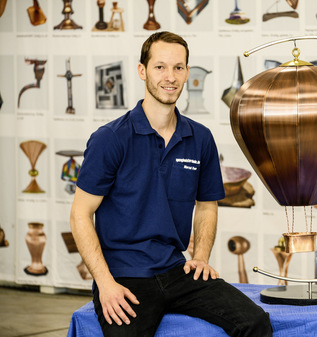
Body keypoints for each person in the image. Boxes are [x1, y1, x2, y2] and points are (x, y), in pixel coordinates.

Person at [70, 31, 273, 337]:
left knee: (254, 322)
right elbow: (80, 215)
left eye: (178, 67)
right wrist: (105, 283)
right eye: (160, 67)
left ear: (187, 72)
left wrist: (200, 258)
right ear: (142, 71)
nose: (170, 77)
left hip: (176, 270)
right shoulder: (110, 139)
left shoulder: (200, 138)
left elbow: (207, 205)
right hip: (124, 275)